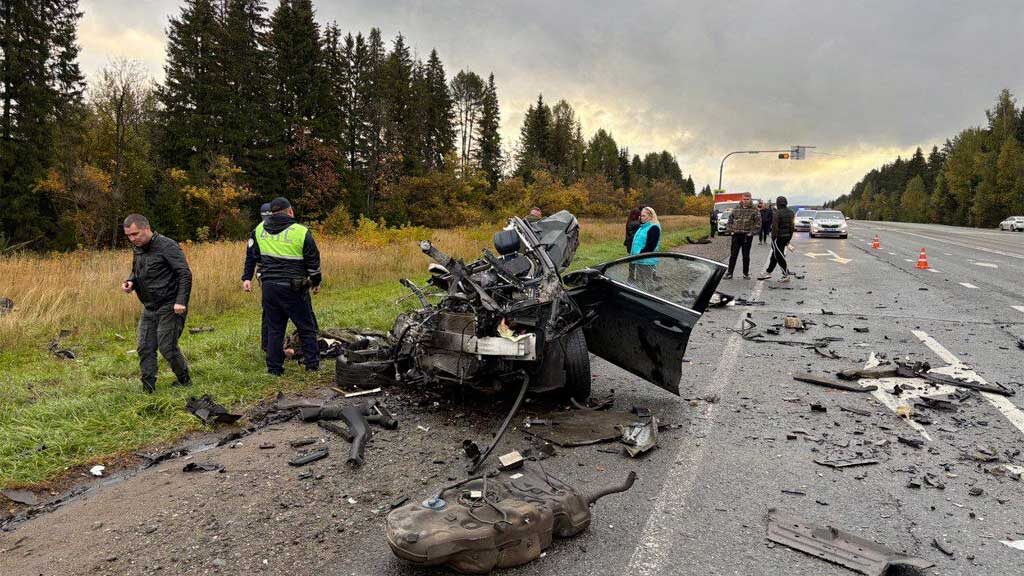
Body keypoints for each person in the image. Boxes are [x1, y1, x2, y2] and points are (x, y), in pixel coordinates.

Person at [242, 197, 322, 375]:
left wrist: (246, 277)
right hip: (295, 287)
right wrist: (315, 283)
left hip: (269, 287)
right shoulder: (301, 232)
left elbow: (252, 255)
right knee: (306, 326)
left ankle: (274, 368)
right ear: (290, 211)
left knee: (274, 328)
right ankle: (312, 365)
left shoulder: (259, 230)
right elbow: (313, 262)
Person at [121, 214, 192, 394]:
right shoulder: (137, 248)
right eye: (129, 236)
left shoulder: (167, 246)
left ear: (146, 228)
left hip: (170, 305)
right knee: (144, 347)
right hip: (149, 306)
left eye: (135, 234)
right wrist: (131, 282)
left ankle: (184, 379)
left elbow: (184, 273)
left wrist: (180, 301)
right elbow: (137, 271)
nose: (132, 239)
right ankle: (148, 389)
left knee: (167, 346)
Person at [247, 202, 273, 352]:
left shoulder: (282, 229)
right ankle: (267, 345)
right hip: (265, 273)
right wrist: (247, 278)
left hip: (285, 272)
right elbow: (250, 257)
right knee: (269, 308)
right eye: (265, 216)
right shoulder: (257, 231)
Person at [759, 195, 795, 281]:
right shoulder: (791, 212)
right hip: (787, 236)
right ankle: (768, 272)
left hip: (778, 237)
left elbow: (775, 227)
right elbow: (792, 226)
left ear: (778, 203)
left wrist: (773, 238)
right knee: (775, 255)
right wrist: (789, 238)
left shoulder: (777, 213)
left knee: (779, 256)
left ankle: (786, 274)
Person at [725, 192, 760, 279]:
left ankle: (745, 273)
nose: (745, 201)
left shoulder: (754, 210)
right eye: (744, 199)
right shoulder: (736, 209)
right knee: (733, 255)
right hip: (736, 235)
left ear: (750, 199)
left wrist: (751, 233)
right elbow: (730, 221)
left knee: (746, 256)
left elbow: (758, 224)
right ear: (742, 199)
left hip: (746, 236)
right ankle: (729, 273)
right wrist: (731, 231)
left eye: (747, 199)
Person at [629, 206, 661, 288]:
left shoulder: (654, 227)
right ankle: (642, 297)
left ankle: (651, 298)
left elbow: (651, 246)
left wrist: (640, 254)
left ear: (650, 216)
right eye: (641, 215)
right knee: (641, 282)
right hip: (640, 259)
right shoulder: (643, 227)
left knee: (647, 281)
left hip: (646, 260)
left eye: (644, 216)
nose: (641, 218)